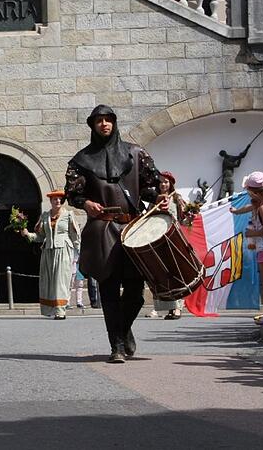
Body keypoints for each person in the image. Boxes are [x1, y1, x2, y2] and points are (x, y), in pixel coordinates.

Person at [65, 105, 163, 363]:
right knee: (108, 289)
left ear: (114, 123)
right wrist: (85, 203)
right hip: (101, 230)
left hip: (132, 228)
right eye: (99, 121)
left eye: (108, 120)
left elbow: (153, 185)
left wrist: (158, 202)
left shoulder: (136, 153)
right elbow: (73, 194)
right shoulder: (81, 160)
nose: (104, 125)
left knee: (135, 292)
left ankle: (123, 329)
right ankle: (116, 346)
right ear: (92, 125)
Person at [22, 190, 81, 320]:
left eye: (60, 199)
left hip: (63, 249)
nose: (57, 201)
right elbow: (40, 236)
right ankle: (49, 309)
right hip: (48, 250)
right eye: (55, 199)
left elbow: (75, 236)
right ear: (51, 201)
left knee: (61, 280)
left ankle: (60, 310)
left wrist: (78, 253)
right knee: (48, 280)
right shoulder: (45, 216)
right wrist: (28, 234)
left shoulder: (69, 215)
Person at [231, 172, 263, 325]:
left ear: (254, 192)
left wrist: (253, 232)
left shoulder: (262, 208)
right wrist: (236, 211)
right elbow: (247, 207)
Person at [149, 171, 186, 319]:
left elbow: (183, 219)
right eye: (161, 182)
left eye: (166, 182)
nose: (163, 184)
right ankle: (164, 308)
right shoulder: (154, 200)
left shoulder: (176, 198)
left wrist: (190, 215)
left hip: (173, 239)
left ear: (171, 184)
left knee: (176, 272)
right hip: (158, 239)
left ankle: (178, 308)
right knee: (161, 274)